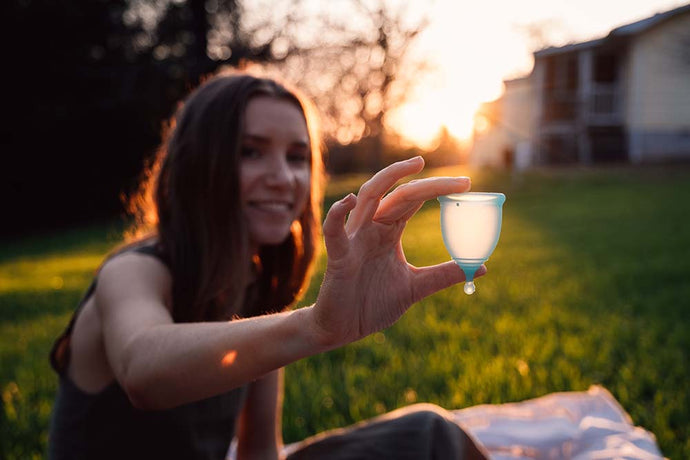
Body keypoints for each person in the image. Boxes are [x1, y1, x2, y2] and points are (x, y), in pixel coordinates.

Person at [48, 70, 489, 460]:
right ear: (197, 164)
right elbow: (142, 371)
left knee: (428, 434)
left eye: (297, 157)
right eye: (250, 152)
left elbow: (259, 450)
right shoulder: (133, 271)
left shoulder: (260, 287)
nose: (282, 176)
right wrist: (316, 326)